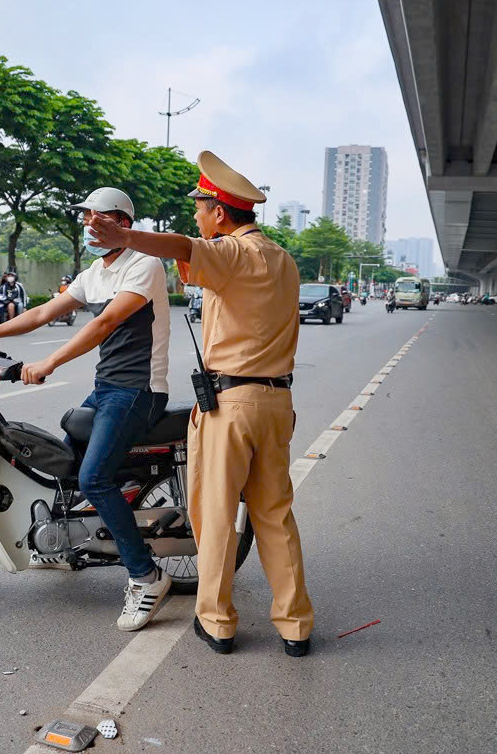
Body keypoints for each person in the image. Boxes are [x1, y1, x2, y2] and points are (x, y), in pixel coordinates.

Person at [88, 151, 314, 657]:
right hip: (277, 402)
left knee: (214, 515)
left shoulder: (233, 253)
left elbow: (178, 247)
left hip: (231, 405)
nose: (195, 216)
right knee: (274, 515)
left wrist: (125, 238)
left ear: (219, 212)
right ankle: (295, 625)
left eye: (199, 206)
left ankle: (217, 621)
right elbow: (193, 268)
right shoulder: (282, 259)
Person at [0, 186, 173, 632]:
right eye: (86, 218)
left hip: (138, 390)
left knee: (93, 477)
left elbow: (106, 321)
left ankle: (146, 576)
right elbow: (42, 314)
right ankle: (70, 543)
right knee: (67, 467)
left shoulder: (144, 265)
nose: (89, 225)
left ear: (123, 224)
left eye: (99, 218)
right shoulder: (95, 271)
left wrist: (50, 363)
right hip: (108, 387)